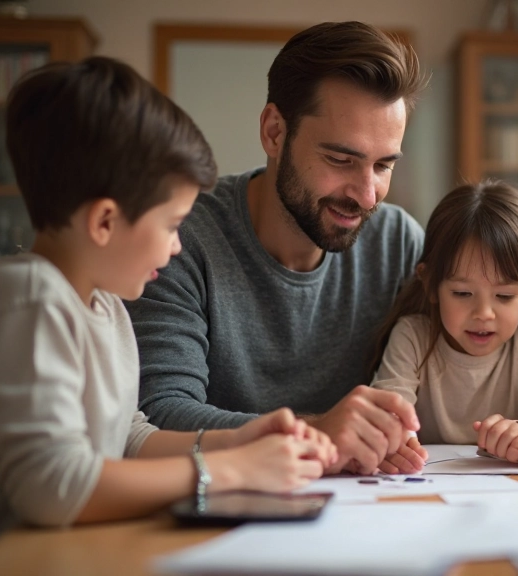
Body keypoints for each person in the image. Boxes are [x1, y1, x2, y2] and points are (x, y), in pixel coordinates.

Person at [0, 57, 336, 576]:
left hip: (55, 553)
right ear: (105, 221)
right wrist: (229, 469)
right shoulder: (30, 301)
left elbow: (126, 438)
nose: (176, 247)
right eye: (172, 224)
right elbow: (55, 490)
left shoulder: (104, 305)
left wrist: (239, 439)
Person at [126, 21, 430, 475]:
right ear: (273, 132)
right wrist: (318, 433)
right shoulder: (179, 240)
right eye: (341, 160)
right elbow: (160, 417)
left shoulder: (399, 244)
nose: (367, 195)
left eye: (383, 165)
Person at [370, 181, 518, 471]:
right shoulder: (412, 337)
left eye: (504, 296)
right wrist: (393, 437)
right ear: (430, 283)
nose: (484, 314)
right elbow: (386, 415)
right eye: (462, 293)